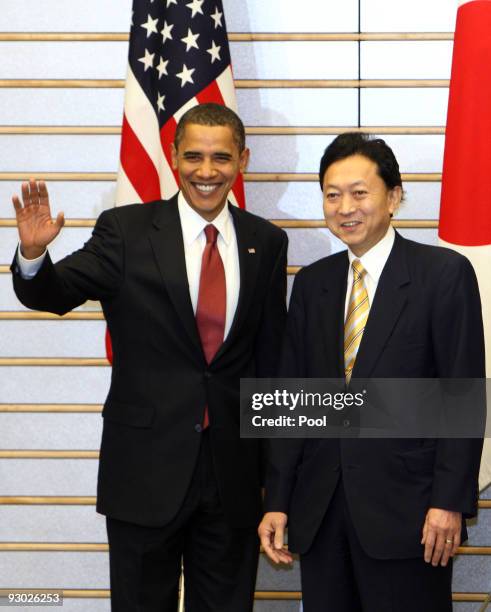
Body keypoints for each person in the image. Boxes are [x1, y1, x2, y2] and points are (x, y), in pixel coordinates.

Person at [11, 103, 288, 612]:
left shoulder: (266, 242)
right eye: (194, 157)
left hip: (233, 477)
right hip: (144, 472)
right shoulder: (125, 231)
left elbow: (268, 362)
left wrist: (278, 482)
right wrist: (33, 258)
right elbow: (54, 292)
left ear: (242, 161)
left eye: (221, 157)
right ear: (172, 156)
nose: (207, 172)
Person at [258, 133, 484, 611]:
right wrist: (277, 499)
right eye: (332, 194)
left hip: (411, 515)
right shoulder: (312, 284)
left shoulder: (443, 275)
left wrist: (448, 502)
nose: (345, 207)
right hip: (321, 514)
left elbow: (462, 399)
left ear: (394, 196)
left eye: (359, 193)